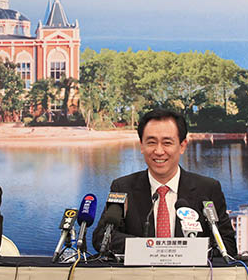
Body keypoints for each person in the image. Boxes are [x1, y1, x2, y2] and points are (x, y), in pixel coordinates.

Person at [92, 109, 237, 256]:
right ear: (141, 146)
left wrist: (182, 252)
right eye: (151, 142)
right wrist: (150, 250)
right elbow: (102, 237)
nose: (159, 151)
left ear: (182, 146)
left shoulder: (207, 189)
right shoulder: (123, 187)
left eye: (167, 143)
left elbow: (227, 244)